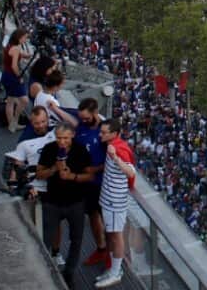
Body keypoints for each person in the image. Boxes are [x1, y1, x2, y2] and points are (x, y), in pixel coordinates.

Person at [36, 123, 93, 280]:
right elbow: (39, 174)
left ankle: (69, 272)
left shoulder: (81, 150)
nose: (62, 142)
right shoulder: (48, 149)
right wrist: (54, 168)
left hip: (76, 202)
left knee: (76, 239)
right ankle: (44, 270)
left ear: (73, 135)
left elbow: (89, 176)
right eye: (59, 138)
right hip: (52, 202)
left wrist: (72, 176)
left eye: (65, 138)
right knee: (46, 237)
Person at [96, 118, 136, 289]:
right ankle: (114, 268)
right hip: (108, 198)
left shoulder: (119, 149)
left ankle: (115, 273)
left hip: (114, 201)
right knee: (111, 234)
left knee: (115, 235)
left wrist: (114, 157)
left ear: (114, 134)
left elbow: (130, 171)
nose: (100, 135)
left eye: (104, 133)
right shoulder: (114, 143)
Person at [76, 98, 110, 271]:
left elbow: (113, 160)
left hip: (104, 183)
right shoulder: (79, 127)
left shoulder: (106, 131)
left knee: (109, 219)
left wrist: (94, 170)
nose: (84, 120)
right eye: (82, 118)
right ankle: (101, 249)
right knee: (93, 215)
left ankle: (114, 255)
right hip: (87, 183)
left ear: (96, 112)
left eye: (87, 118)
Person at [2, 29, 32, 133]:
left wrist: (27, 55)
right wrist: (19, 76)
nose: (25, 40)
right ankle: (15, 121)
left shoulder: (10, 45)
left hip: (6, 75)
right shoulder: (16, 48)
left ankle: (12, 125)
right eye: (25, 38)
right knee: (24, 100)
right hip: (12, 76)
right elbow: (14, 66)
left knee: (10, 100)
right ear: (19, 37)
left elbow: (18, 54)